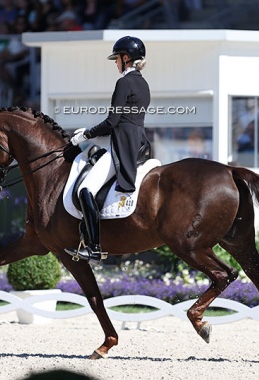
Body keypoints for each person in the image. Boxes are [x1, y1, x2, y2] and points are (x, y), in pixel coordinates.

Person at [64, 36, 150, 263]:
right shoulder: (143, 83)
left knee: (85, 190)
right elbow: (126, 121)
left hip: (123, 147)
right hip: (139, 143)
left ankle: (93, 247)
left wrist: (86, 134)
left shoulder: (124, 83)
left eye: (117, 59)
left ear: (126, 58)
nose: (115, 63)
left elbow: (112, 122)